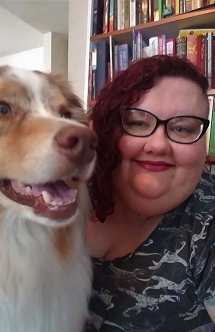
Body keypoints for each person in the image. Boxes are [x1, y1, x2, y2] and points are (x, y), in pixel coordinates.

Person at [86, 55, 215, 332]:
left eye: (182, 128)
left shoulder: (208, 223)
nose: (158, 144)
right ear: (107, 128)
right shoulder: (61, 196)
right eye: (137, 123)